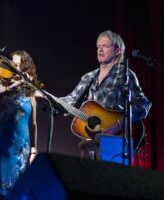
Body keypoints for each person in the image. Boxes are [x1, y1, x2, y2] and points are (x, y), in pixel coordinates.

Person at [59, 30, 152, 160]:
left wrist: (122, 122)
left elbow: (144, 104)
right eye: (98, 46)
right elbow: (70, 100)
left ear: (117, 51)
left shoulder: (125, 75)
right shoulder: (88, 77)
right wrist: (49, 99)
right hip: (90, 144)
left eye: (105, 46)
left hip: (117, 141)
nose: (100, 50)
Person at [0, 51, 39, 198]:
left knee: (14, 191)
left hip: (20, 148)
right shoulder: (2, 87)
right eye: (11, 64)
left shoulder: (30, 93)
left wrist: (34, 149)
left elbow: (34, 124)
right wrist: (12, 84)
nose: (12, 67)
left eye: (16, 65)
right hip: (0, 143)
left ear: (24, 69)